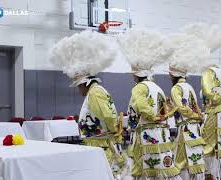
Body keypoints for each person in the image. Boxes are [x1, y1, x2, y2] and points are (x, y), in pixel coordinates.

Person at [49, 31, 125, 179]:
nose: (79, 90)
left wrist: (113, 131)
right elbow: (100, 115)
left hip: (101, 146)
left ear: (85, 83)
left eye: (79, 86)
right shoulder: (95, 92)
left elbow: (108, 115)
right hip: (98, 144)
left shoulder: (95, 92)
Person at [118, 29, 181, 180]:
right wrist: (161, 117)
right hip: (161, 134)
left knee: (145, 168)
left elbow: (141, 106)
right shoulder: (157, 87)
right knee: (161, 166)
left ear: (137, 74)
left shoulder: (139, 88)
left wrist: (153, 116)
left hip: (146, 134)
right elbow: (165, 110)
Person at [165, 33, 209, 180]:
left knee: (180, 161)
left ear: (173, 75)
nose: (169, 76)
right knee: (194, 159)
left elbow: (183, 108)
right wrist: (197, 115)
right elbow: (193, 106)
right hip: (195, 128)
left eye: (170, 74)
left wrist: (194, 114)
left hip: (185, 129)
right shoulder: (189, 86)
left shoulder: (176, 88)